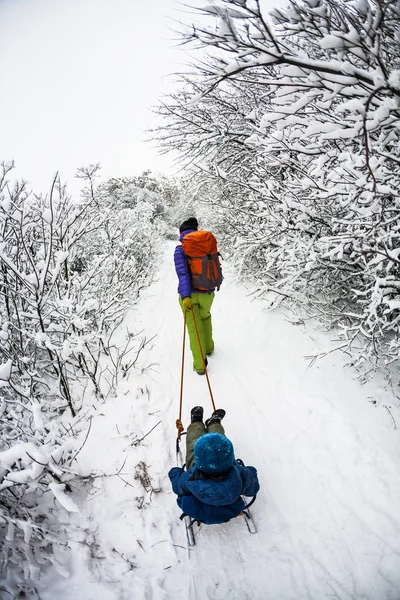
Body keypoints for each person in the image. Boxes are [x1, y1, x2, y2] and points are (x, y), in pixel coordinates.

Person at [168, 407, 260, 525]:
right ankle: (214, 423)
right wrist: (249, 471)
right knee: (219, 444)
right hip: (228, 512)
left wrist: (175, 472)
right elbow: (253, 488)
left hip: (202, 514)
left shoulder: (190, 479)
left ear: (200, 462)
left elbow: (177, 486)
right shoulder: (240, 474)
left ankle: (196, 423)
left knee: (193, 444)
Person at [174, 217, 218, 375]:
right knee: (205, 318)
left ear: (181, 233)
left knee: (194, 329)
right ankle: (209, 348)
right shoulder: (206, 244)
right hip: (208, 292)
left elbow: (183, 275)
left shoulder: (180, 249)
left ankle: (200, 366)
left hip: (190, 296)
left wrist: (185, 297)